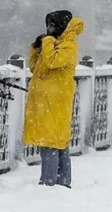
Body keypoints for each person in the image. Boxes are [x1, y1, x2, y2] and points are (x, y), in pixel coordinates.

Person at [23, 10, 84, 188]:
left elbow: (52, 62)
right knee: (56, 140)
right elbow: (36, 68)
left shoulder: (68, 45)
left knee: (51, 141)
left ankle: (49, 183)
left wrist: (48, 41)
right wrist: (36, 48)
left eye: (52, 26)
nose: (49, 29)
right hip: (46, 102)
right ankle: (62, 182)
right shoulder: (56, 43)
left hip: (56, 102)